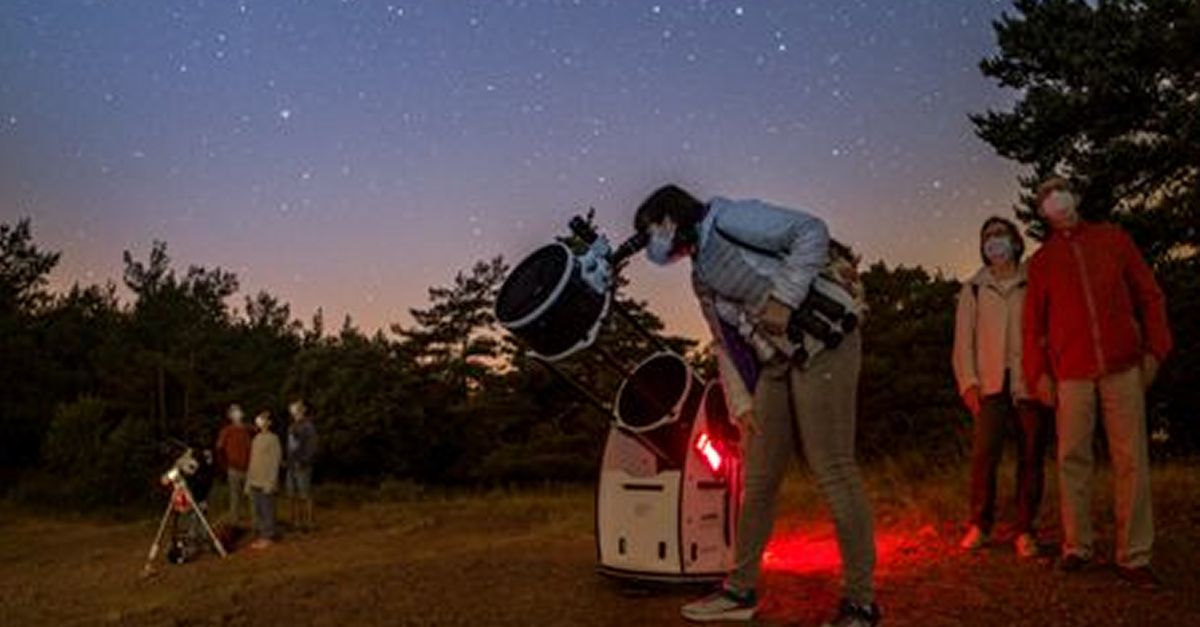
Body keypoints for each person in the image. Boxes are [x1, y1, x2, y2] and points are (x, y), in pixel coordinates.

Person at [634, 185, 879, 626]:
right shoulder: (699, 274)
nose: (653, 243)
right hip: (775, 361)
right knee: (759, 479)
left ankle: (860, 603)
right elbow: (724, 343)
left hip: (823, 343)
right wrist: (741, 405)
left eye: (653, 230)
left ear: (672, 219)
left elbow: (811, 231)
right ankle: (739, 590)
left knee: (833, 468)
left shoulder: (731, 219)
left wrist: (784, 298)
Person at [1023, 176, 1172, 587]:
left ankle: (1134, 555)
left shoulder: (1113, 239)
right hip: (1070, 374)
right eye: (1046, 196)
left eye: (1060, 190)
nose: (1055, 199)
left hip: (1123, 366)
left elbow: (1149, 295)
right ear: (1043, 212)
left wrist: (1156, 350)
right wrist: (1038, 373)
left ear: (1075, 197)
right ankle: (1078, 546)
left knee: (1131, 460)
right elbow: (1032, 325)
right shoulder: (1042, 262)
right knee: (1072, 459)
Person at [952, 217, 1048, 558]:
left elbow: (1044, 329)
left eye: (1001, 235)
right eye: (988, 237)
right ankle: (980, 523)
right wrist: (968, 382)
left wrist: (1045, 375)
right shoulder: (974, 288)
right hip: (989, 381)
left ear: (1015, 241)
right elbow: (963, 342)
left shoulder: (1032, 282)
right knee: (985, 455)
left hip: (1028, 380)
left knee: (1031, 454)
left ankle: (1025, 530)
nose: (995, 242)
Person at [245, 411, 282, 549]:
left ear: (270, 423)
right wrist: (248, 482)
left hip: (266, 481)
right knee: (258, 510)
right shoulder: (256, 439)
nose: (260, 420)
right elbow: (252, 461)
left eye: (264, 418)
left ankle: (268, 536)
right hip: (254, 480)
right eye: (260, 418)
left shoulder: (273, 439)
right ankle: (263, 534)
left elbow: (275, 461)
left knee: (267, 509)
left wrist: (271, 482)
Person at [214, 403, 252, 525]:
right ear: (230, 415)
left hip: (249, 469)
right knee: (235, 497)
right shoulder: (226, 431)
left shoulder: (248, 429)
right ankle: (235, 522)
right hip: (234, 469)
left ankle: (253, 522)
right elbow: (219, 448)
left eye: (238, 410)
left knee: (251, 497)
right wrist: (224, 465)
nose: (237, 413)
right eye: (234, 412)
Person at [285, 399, 318, 532]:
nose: (295, 410)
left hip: (302, 465)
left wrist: (304, 460)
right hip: (291, 465)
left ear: (303, 410)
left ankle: (309, 523)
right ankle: (297, 522)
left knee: (305, 494)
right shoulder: (292, 426)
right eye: (293, 408)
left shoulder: (308, 426)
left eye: (298, 408)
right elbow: (290, 446)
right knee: (292, 494)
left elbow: (312, 445)